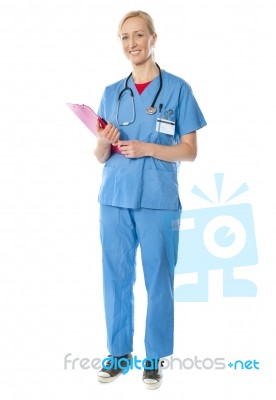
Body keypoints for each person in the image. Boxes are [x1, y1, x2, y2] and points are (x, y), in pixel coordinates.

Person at [94, 10, 207, 389]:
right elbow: (99, 156)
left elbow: (189, 151)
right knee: (115, 277)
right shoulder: (112, 93)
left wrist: (149, 148)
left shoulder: (178, 89)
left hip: (158, 200)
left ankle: (153, 357)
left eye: (138, 36)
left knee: (159, 279)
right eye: (125, 38)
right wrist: (104, 140)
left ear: (154, 39)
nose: (132, 45)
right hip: (114, 196)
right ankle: (118, 353)